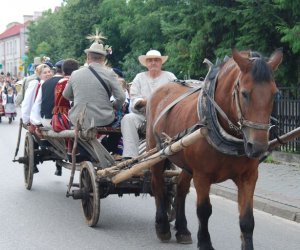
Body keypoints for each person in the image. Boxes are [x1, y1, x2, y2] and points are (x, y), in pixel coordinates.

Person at [121, 49, 177, 159]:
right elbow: (134, 100)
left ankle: (177, 156)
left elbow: (178, 96)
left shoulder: (170, 77)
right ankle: (130, 156)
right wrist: (147, 101)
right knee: (128, 119)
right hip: (144, 116)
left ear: (161, 63)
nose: (153, 63)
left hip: (166, 118)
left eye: (156, 60)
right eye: (150, 60)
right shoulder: (139, 77)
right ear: (146, 64)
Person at [63, 36, 125, 130]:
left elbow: (66, 95)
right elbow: (121, 97)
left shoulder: (75, 74)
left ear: (88, 57)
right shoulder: (110, 73)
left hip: (78, 119)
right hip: (103, 119)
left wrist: (80, 97)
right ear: (103, 59)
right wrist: (113, 106)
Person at [51, 59, 80, 175]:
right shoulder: (72, 81)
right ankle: (72, 150)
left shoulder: (60, 81)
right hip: (66, 115)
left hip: (57, 116)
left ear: (63, 71)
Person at [30, 60, 64, 128]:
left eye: (49, 71)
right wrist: (36, 121)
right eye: (45, 73)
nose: (48, 74)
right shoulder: (40, 84)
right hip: (46, 117)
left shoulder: (52, 82)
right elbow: (37, 103)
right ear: (39, 75)